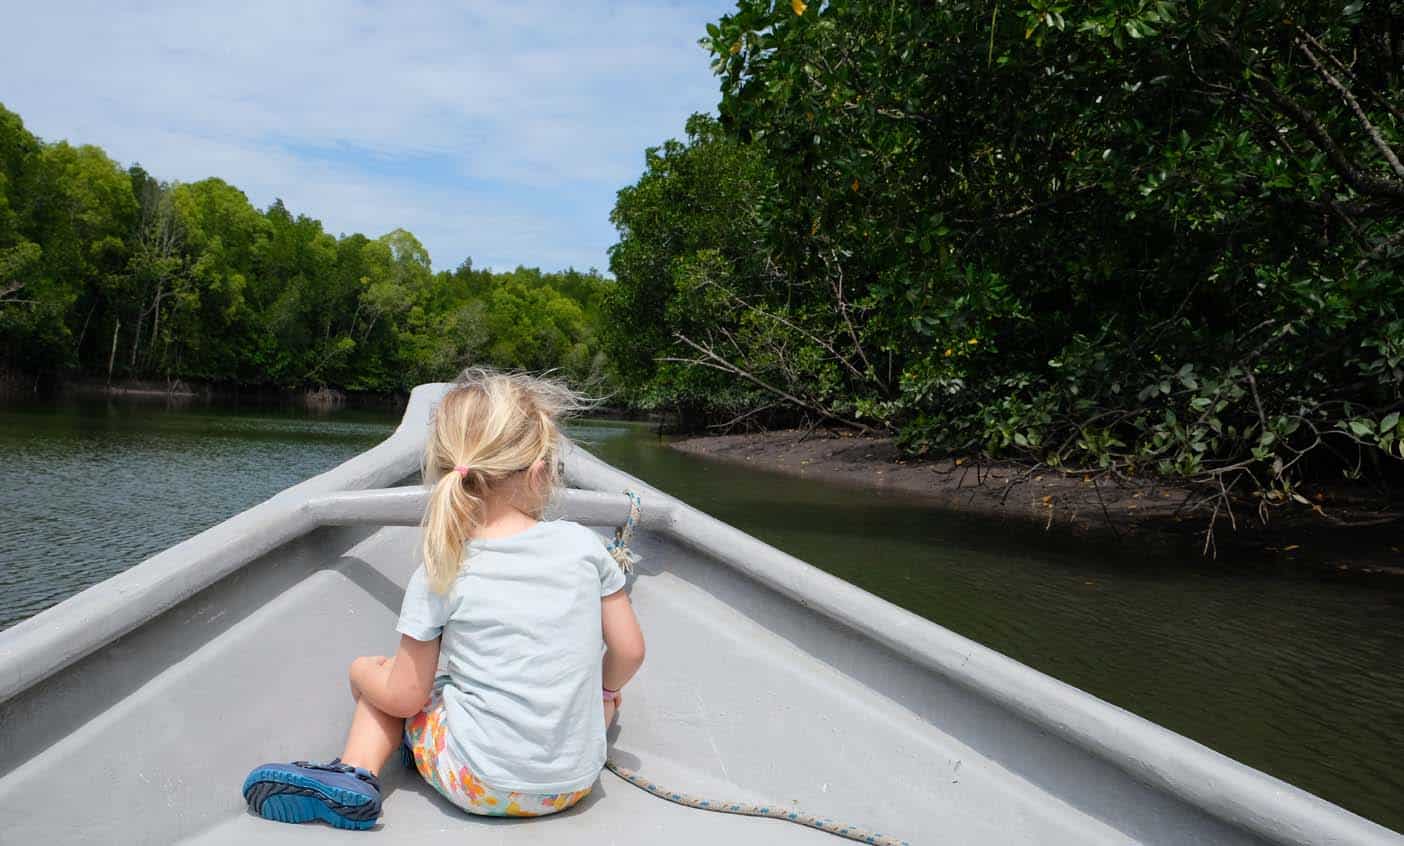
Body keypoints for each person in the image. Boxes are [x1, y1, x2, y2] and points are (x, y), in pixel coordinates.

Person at [241, 368, 646, 830]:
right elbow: (630, 651)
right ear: (539, 472)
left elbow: (406, 694)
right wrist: (605, 693)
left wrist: (358, 673)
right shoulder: (582, 545)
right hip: (574, 783)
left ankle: (355, 773)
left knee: (384, 679)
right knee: (603, 700)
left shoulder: (444, 567)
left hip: (478, 783)